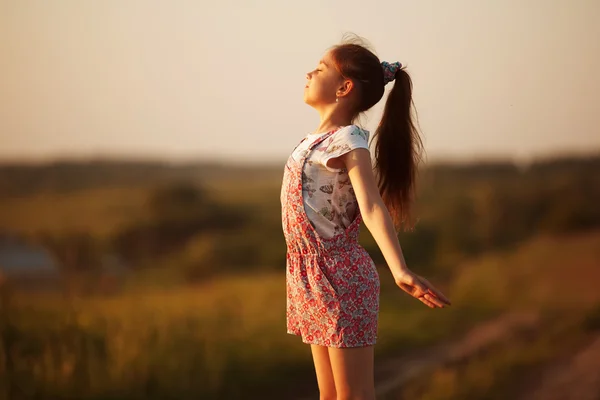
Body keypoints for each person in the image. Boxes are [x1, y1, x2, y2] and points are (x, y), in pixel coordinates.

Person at [280, 38, 452, 400]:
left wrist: (399, 269)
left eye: (321, 68)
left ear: (344, 88)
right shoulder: (313, 139)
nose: (310, 73)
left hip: (342, 277)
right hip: (309, 275)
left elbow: (371, 206)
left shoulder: (349, 139)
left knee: (354, 395)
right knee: (329, 396)